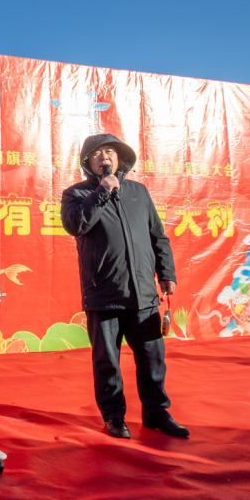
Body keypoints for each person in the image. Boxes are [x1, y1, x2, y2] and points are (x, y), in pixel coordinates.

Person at [60, 133, 189, 439]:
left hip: (144, 294)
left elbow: (157, 236)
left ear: (120, 158)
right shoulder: (76, 194)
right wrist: (102, 192)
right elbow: (75, 225)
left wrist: (166, 272)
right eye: (97, 154)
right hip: (103, 294)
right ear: (88, 163)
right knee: (107, 361)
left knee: (152, 359)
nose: (104, 157)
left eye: (110, 152)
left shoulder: (138, 192)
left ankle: (156, 412)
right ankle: (114, 416)